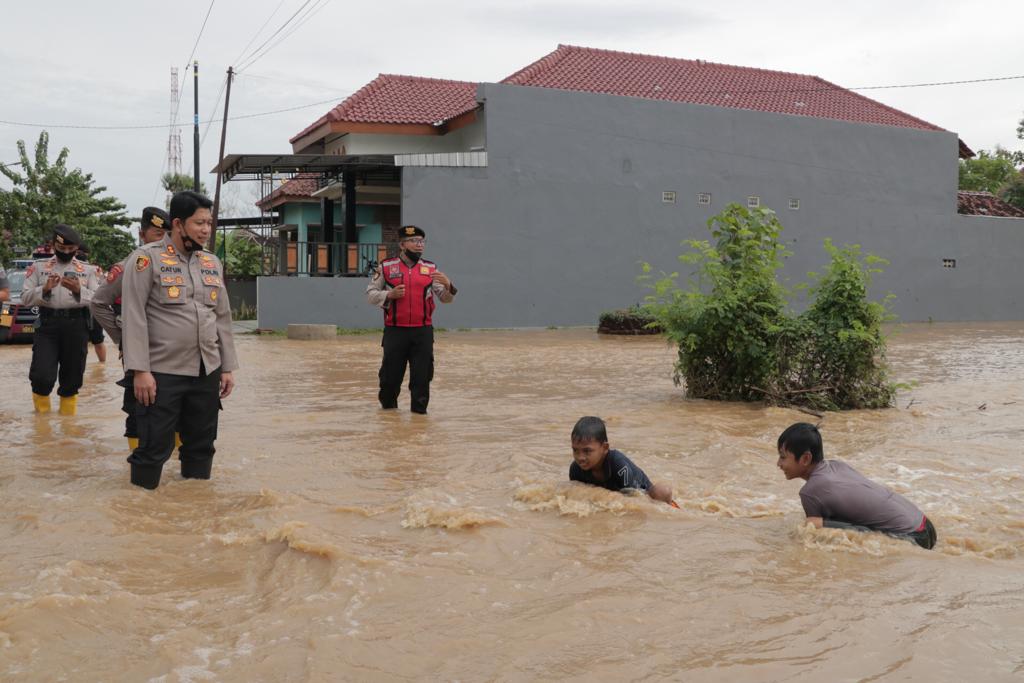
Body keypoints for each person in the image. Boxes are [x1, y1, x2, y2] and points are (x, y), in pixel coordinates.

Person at [120, 191, 238, 489]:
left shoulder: (211, 262)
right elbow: (133, 316)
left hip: (205, 372)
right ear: (177, 223)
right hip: (161, 374)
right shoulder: (146, 260)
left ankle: (195, 514)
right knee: (152, 450)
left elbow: (222, 317)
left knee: (201, 446)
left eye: (209, 223)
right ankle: (143, 521)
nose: (206, 230)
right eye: (199, 223)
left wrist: (226, 367)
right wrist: (140, 370)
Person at [91, 207, 175, 452]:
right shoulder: (128, 266)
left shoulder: (178, 265)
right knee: (139, 408)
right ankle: (136, 470)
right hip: (141, 351)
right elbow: (98, 303)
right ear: (142, 234)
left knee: (180, 409)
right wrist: (124, 340)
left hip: (174, 349)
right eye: (157, 234)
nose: (163, 240)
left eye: (167, 234)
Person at [776, 422, 937, 549]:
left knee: (810, 524)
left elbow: (812, 535)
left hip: (914, 539)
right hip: (927, 526)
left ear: (805, 459)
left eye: (783, 457)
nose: (778, 464)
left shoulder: (810, 492)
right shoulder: (837, 466)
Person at [366, 225, 457, 414]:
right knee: (389, 381)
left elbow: (446, 299)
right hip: (395, 332)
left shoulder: (430, 268)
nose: (419, 245)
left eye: (422, 241)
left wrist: (449, 285)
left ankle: (419, 423)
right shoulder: (386, 267)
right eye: (414, 241)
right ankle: (389, 421)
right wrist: (389, 294)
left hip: (422, 333)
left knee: (421, 381)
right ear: (402, 244)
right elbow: (370, 295)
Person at [20, 225, 101, 415]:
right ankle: (41, 425)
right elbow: (24, 298)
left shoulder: (88, 270)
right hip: (48, 325)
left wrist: (78, 290)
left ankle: (67, 427)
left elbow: (98, 301)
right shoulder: (39, 268)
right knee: (41, 376)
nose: (65, 252)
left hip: (77, 326)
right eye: (61, 248)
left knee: (72, 379)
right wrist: (45, 289)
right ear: (53, 245)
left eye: (70, 249)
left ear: (76, 248)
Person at [569, 416, 674, 504]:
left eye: (587, 451)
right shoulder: (575, 469)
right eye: (575, 450)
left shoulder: (619, 466)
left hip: (642, 493)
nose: (580, 457)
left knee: (662, 491)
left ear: (605, 448)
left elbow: (633, 499)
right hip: (612, 494)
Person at [76, 244, 108, 363]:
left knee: (98, 340)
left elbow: (102, 288)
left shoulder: (95, 269)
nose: (78, 254)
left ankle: (102, 366)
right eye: (77, 251)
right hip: (76, 310)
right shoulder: (69, 267)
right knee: (78, 342)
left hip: (92, 310)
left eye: (81, 252)